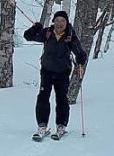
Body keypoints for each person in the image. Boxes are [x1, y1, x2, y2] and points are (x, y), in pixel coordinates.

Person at [23, 10, 87, 141]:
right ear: (53, 21)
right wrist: (36, 27)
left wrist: (81, 59)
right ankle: (42, 126)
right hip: (46, 70)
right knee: (43, 97)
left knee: (62, 98)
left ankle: (61, 125)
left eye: (62, 21)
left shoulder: (70, 36)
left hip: (63, 72)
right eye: (57, 20)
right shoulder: (47, 32)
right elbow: (28, 36)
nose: (59, 23)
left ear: (66, 22)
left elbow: (80, 52)